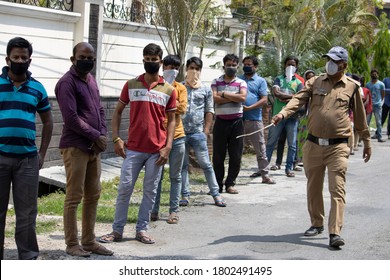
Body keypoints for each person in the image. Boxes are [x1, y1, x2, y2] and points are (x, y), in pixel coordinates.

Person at [272, 46, 371, 248]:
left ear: (344, 65)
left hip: (338, 146)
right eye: (328, 59)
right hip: (313, 144)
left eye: (334, 60)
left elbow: (360, 118)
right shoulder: (315, 81)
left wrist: (367, 141)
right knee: (313, 187)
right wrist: (283, 113)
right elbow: (298, 99)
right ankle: (317, 223)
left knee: (337, 188)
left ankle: (335, 232)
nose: (330, 63)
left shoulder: (352, 87)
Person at [99, 43, 176, 245]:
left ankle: (142, 230)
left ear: (161, 61)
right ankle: (117, 231)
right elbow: (117, 111)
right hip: (132, 148)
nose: (151, 63)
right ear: (143, 60)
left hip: (157, 151)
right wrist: (116, 139)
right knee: (124, 188)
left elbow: (173, 119)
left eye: (154, 60)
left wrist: (168, 146)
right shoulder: (131, 84)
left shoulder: (169, 89)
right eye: (147, 59)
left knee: (150, 192)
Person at [55, 42, 113, 257]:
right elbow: (71, 119)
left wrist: (103, 134)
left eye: (90, 58)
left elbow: (98, 109)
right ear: (73, 59)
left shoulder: (91, 80)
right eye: (82, 57)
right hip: (75, 147)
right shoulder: (66, 83)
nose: (87, 61)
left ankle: (89, 241)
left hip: (93, 148)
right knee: (74, 197)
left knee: (93, 195)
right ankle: (72, 244)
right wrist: (96, 135)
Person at [0, 37, 53, 260]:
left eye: (24, 57)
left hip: (28, 160)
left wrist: (41, 154)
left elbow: (48, 121)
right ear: (7, 59)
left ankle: (28, 255)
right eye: (16, 57)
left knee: (27, 212)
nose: (20, 60)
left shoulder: (38, 88)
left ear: (30, 60)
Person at [180, 57, 226, 206]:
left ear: (200, 71)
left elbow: (209, 110)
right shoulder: (179, 87)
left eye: (197, 69)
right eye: (191, 68)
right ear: (186, 69)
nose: (194, 71)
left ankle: (216, 194)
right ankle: (184, 196)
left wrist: (206, 131)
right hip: (180, 133)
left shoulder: (206, 89)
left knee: (206, 164)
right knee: (183, 165)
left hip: (198, 133)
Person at [151, 54, 187, 224]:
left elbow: (181, 107)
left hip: (177, 136)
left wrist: (168, 100)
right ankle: (154, 210)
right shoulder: (155, 85)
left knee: (176, 175)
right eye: (168, 67)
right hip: (159, 137)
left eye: (175, 68)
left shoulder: (180, 88)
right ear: (162, 66)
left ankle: (173, 211)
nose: (171, 70)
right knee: (156, 176)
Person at [211, 54, 247, 194]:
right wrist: (233, 97)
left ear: (237, 66)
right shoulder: (216, 81)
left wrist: (224, 94)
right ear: (224, 65)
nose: (231, 67)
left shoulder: (241, 82)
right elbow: (215, 98)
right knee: (218, 155)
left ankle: (230, 183)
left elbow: (243, 98)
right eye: (228, 65)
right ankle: (218, 185)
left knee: (236, 155)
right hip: (220, 122)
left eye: (233, 65)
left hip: (237, 122)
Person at [266, 55, 303, 178]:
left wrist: (284, 97)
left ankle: (288, 169)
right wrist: (292, 97)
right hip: (277, 116)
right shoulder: (278, 79)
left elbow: (299, 98)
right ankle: (264, 168)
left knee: (292, 144)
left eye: (293, 65)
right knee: (271, 143)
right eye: (288, 64)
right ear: (284, 65)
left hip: (292, 117)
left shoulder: (298, 83)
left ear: (296, 67)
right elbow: (276, 93)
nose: (290, 67)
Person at [240, 55, 275, 184]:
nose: (247, 66)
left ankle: (265, 175)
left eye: (249, 64)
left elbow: (264, 100)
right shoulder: (238, 79)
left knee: (260, 148)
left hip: (255, 119)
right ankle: (232, 177)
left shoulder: (261, 81)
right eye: (245, 64)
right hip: (239, 119)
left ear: (255, 66)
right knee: (236, 148)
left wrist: (249, 108)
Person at [366, 69, 385, 142]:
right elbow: (367, 94)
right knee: (367, 122)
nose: (374, 75)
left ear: (378, 75)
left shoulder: (381, 84)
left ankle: (379, 137)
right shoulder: (368, 84)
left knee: (379, 122)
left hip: (377, 105)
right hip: (369, 105)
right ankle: (366, 137)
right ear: (371, 75)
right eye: (373, 74)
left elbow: (383, 94)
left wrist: (380, 102)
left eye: (375, 74)